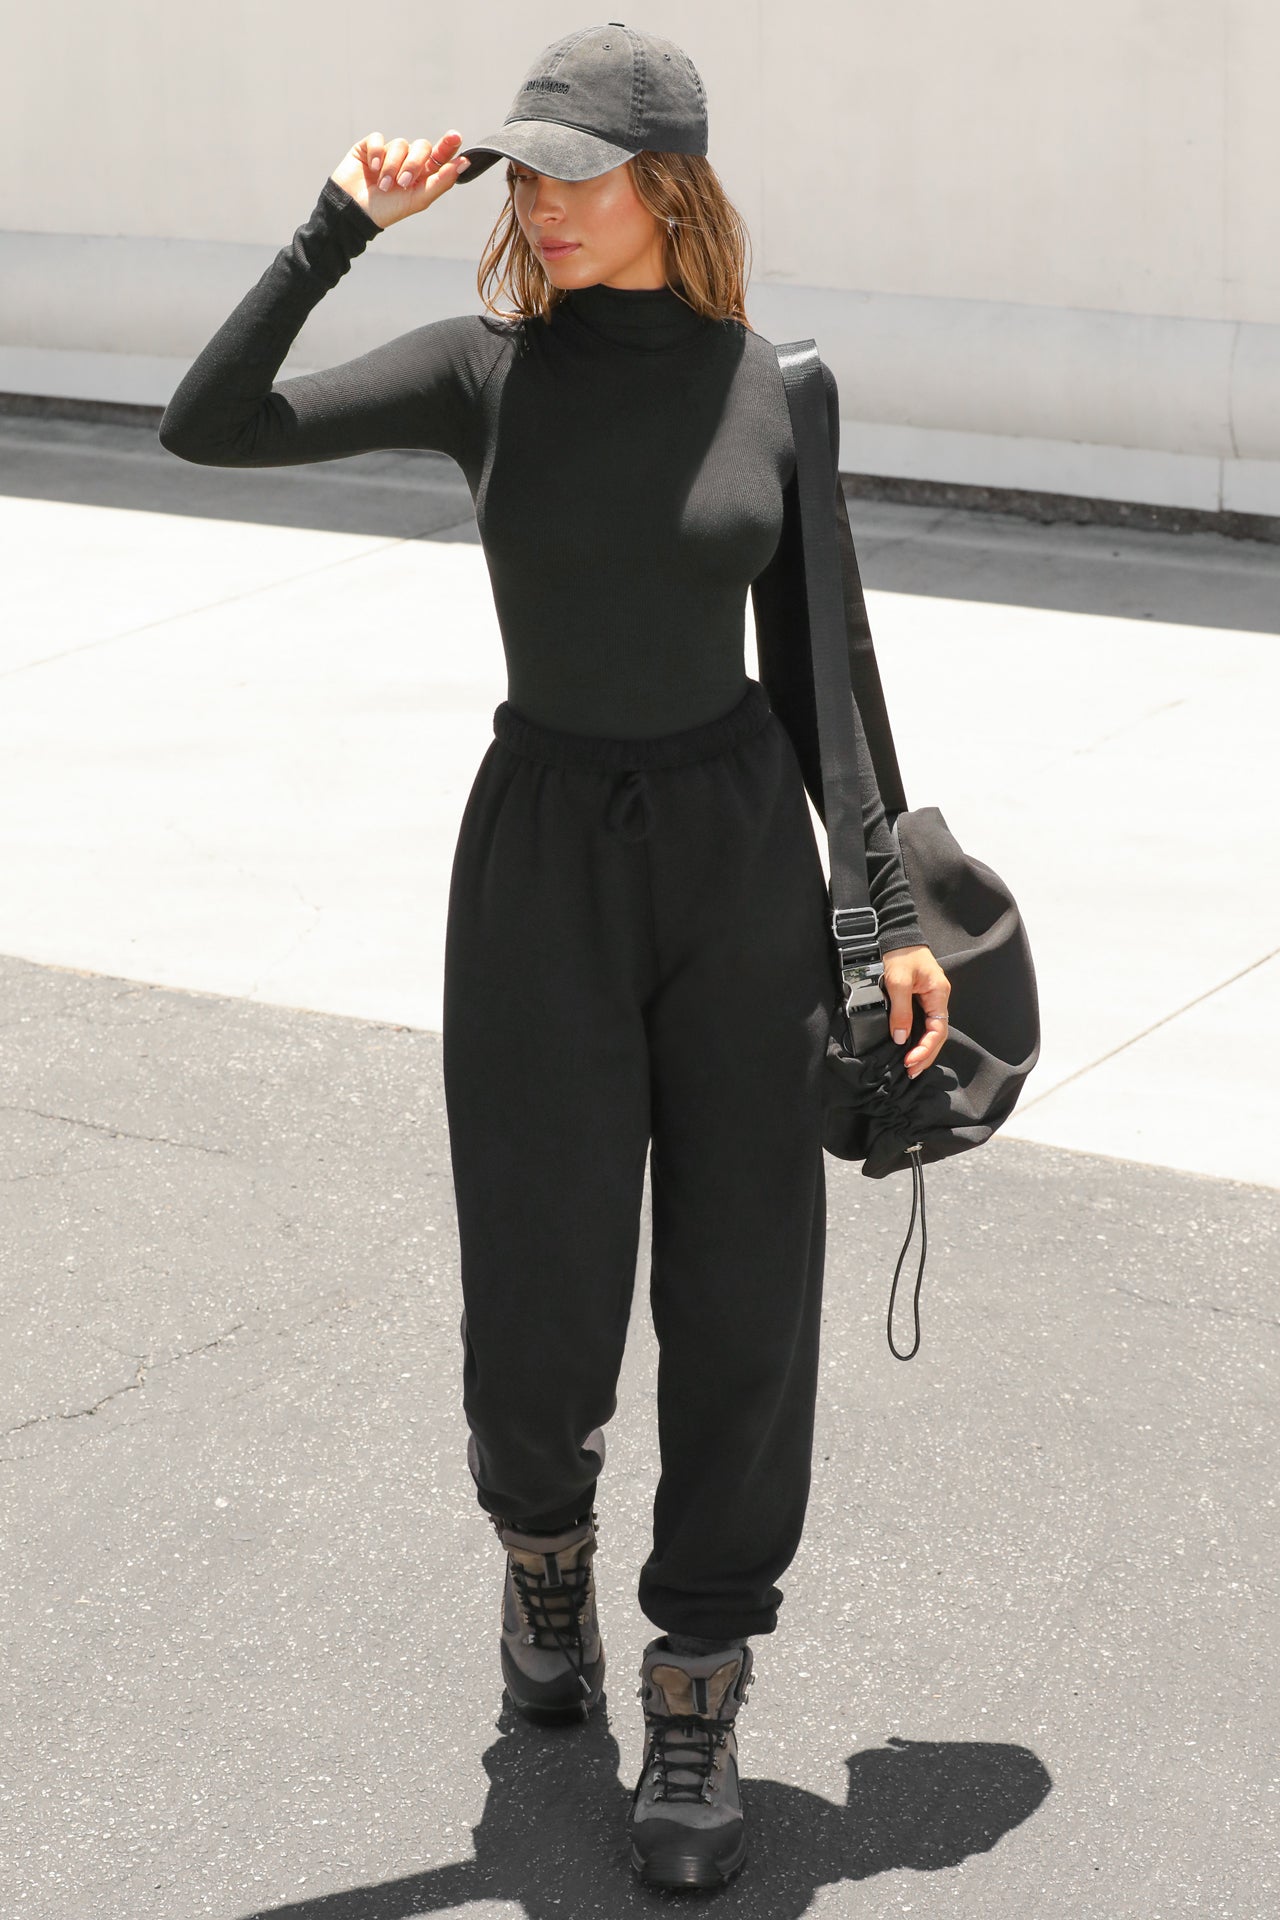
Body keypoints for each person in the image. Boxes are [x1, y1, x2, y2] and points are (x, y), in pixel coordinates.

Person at [158, 20, 951, 1892]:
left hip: (740, 864)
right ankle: (543, 1561)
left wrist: (888, 911)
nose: (541, 205)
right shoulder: (480, 372)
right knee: (538, 1281)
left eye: (577, 174)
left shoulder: (775, 386)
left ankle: (697, 1680)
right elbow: (208, 423)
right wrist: (334, 227)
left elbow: (823, 665)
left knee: (746, 1290)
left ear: (670, 185)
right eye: (524, 172)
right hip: (540, 865)